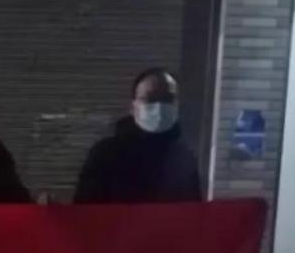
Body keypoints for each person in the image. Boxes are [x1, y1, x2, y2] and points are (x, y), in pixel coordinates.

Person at [73, 68, 202, 204]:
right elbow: (83, 210)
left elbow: (193, 212)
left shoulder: (184, 158)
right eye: (150, 99)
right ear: (133, 107)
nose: (159, 106)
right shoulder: (105, 153)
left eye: (168, 99)